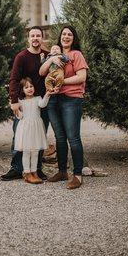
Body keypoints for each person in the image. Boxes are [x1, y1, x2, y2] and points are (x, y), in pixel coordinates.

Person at [39, 25, 89, 189]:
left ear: (73, 38)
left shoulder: (76, 54)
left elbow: (81, 77)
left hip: (71, 99)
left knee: (73, 138)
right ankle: (62, 171)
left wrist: (60, 83)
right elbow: (41, 72)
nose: (66, 36)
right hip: (54, 100)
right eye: (63, 34)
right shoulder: (54, 55)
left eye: (69, 34)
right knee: (59, 137)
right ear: (60, 37)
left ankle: (78, 175)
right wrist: (51, 59)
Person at [0, 26, 49, 181]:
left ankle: (36, 169)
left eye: (38, 36)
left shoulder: (47, 56)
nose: (35, 38)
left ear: (42, 38)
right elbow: (13, 80)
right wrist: (14, 101)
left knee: (39, 135)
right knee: (19, 135)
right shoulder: (21, 56)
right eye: (32, 35)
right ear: (28, 39)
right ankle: (16, 168)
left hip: (41, 102)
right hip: (23, 103)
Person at [14, 77, 51, 184]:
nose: (29, 89)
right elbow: (20, 117)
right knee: (26, 151)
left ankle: (34, 172)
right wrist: (15, 108)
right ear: (22, 90)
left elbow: (43, 104)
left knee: (35, 151)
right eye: (26, 87)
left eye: (31, 86)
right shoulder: (20, 102)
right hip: (25, 129)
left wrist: (47, 94)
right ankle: (27, 172)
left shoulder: (38, 98)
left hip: (36, 128)